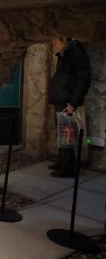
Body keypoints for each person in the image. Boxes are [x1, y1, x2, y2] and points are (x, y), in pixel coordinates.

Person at [48, 37, 91, 178]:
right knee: (62, 133)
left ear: (64, 40)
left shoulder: (76, 54)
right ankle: (64, 161)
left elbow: (83, 80)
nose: (53, 44)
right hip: (62, 99)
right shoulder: (65, 54)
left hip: (67, 101)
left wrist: (74, 103)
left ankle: (68, 168)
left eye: (55, 41)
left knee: (66, 134)